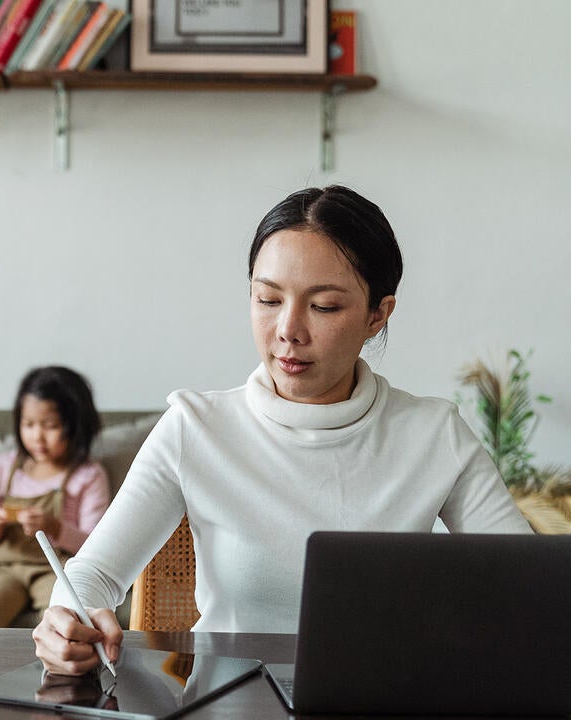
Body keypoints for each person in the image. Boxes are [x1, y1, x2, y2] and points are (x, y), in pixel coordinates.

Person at [32, 185, 532, 675]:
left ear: (378, 314)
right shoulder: (195, 428)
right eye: (268, 299)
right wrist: (67, 620)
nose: (289, 330)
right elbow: (93, 574)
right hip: (228, 708)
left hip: (378, 702)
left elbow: (529, 583)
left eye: (325, 306)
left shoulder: (432, 433)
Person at [0, 366, 110, 627]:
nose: (37, 436)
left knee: (64, 622)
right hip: (2, 566)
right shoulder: (6, 466)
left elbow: (97, 545)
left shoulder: (88, 476)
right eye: (28, 424)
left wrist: (55, 527)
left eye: (51, 426)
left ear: (76, 425)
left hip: (55, 569)